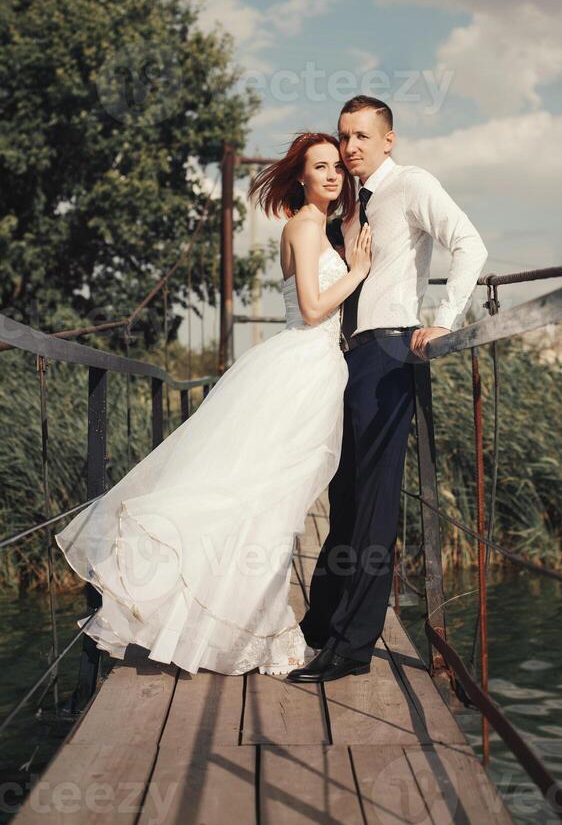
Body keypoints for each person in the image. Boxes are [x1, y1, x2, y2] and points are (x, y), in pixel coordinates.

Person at [54, 132, 372, 677]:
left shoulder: (321, 227)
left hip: (311, 369)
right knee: (267, 500)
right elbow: (316, 309)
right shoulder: (304, 224)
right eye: (320, 167)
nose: (332, 175)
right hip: (302, 368)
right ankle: (243, 626)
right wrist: (359, 272)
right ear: (301, 176)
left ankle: (236, 621)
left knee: (270, 499)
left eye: (338, 167)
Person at [288, 95, 488, 684]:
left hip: (393, 350)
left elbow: (469, 244)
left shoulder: (413, 185)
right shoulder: (349, 206)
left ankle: (352, 647)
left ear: (388, 140)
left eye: (361, 137)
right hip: (349, 358)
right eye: (344, 136)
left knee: (374, 502)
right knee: (345, 496)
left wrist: (446, 318)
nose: (349, 147)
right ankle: (321, 624)